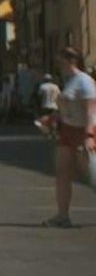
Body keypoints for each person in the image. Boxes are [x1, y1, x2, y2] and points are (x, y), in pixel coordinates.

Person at [43, 48, 95, 229]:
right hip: (67, 132)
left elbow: (91, 110)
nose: (58, 64)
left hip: (84, 132)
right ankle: (62, 216)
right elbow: (66, 107)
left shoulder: (84, 81)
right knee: (62, 172)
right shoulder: (70, 81)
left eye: (60, 61)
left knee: (92, 175)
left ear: (70, 60)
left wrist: (89, 136)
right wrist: (52, 119)